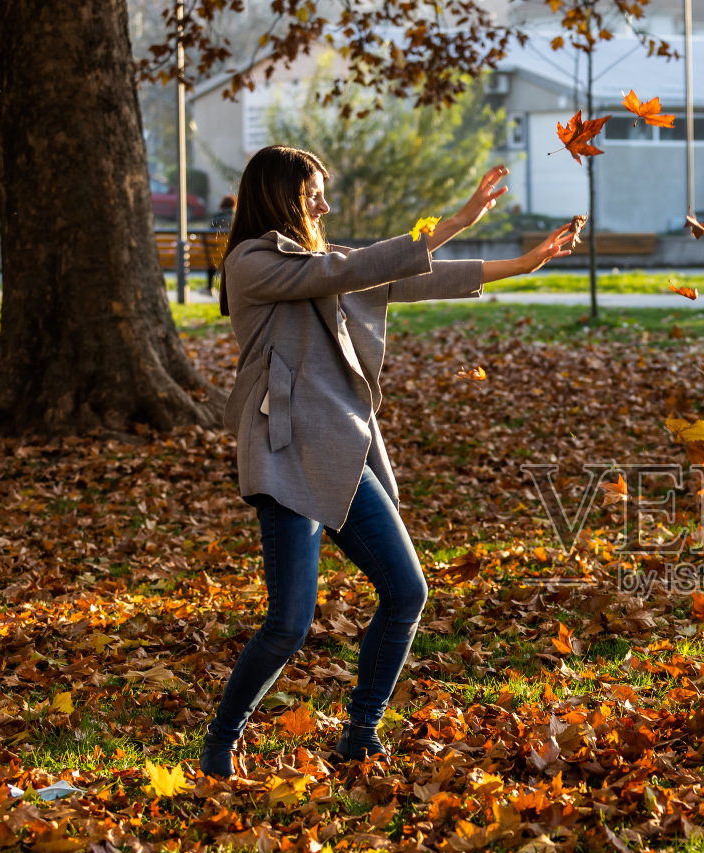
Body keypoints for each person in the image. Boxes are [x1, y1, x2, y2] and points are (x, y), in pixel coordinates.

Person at [199, 146, 580, 777]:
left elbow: (402, 279)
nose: (325, 206)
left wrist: (521, 264)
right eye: (313, 195)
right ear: (281, 198)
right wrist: (455, 221)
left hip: (344, 450)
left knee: (406, 591)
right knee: (289, 624)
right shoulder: (252, 264)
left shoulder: (318, 264)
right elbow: (355, 268)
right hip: (287, 454)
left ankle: (361, 734)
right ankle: (221, 741)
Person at [205, 195, 236, 295]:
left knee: (212, 260)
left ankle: (210, 288)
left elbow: (209, 236)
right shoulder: (237, 218)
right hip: (232, 254)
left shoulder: (216, 218)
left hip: (215, 255)